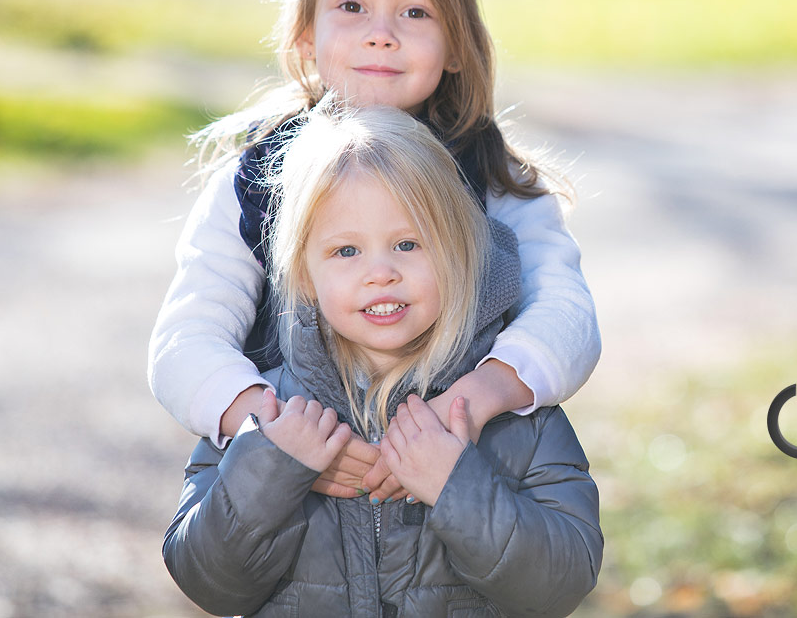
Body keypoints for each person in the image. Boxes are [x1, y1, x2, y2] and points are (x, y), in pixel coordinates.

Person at [148, 0, 600, 502]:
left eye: (416, 11)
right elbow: (184, 340)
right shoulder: (254, 182)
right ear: (306, 32)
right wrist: (271, 432)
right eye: (352, 6)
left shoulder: (495, 179)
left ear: (457, 46)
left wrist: (475, 400)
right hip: (300, 518)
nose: (380, 32)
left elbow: (568, 316)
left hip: (456, 497)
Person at [163, 104, 602, 616]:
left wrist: (454, 487)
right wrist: (271, 467)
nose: (380, 272)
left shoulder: (518, 417)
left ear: (459, 256)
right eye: (346, 251)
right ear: (304, 276)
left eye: (408, 244)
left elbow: (563, 583)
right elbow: (209, 583)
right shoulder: (268, 411)